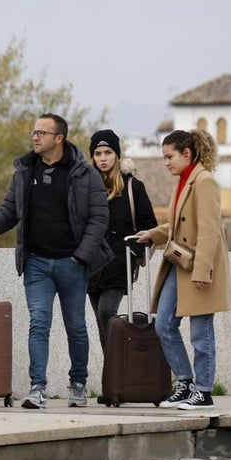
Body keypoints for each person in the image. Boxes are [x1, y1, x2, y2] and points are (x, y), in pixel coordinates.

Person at [0, 114, 111, 410]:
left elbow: (98, 218)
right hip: (37, 263)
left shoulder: (84, 173)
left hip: (72, 263)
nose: (35, 137)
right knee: (38, 323)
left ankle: (78, 383)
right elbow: (7, 212)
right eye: (34, 132)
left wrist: (81, 256)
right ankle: (36, 388)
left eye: (42, 132)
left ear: (59, 138)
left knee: (76, 326)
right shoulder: (25, 171)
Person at [135, 129, 231, 410]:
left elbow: (210, 231)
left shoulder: (204, 181)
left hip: (200, 267)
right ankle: (186, 383)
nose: (166, 163)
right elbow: (179, 225)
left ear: (186, 153)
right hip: (180, 265)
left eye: (169, 157)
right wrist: (153, 234)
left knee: (201, 332)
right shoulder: (183, 181)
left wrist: (203, 271)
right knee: (164, 324)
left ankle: (203, 391)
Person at [87, 129, 158, 368]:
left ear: (117, 155)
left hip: (119, 266)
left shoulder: (132, 187)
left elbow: (150, 227)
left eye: (108, 152)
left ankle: (119, 370)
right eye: (98, 153)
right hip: (90, 268)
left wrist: (134, 254)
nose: (103, 158)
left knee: (107, 312)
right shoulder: (85, 187)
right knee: (100, 320)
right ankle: (114, 378)